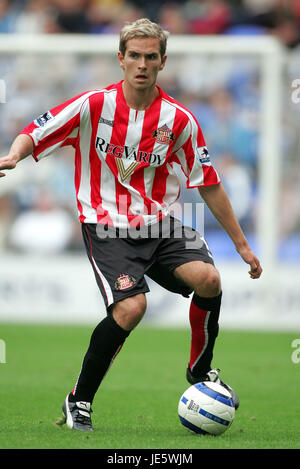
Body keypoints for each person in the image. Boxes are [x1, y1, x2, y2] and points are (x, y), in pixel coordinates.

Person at [0, 18, 262, 432]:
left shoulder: (179, 120)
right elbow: (37, 130)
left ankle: (199, 370)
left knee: (209, 280)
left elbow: (209, 183)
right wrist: (15, 155)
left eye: (151, 57)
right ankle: (78, 400)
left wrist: (242, 245)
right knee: (131, 308)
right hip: (106, 226)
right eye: (135, 56)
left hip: (161, 224)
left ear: (162, 63)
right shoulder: (93, 105)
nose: (142, 64)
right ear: (121, 59)